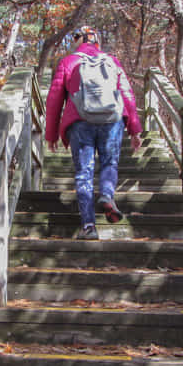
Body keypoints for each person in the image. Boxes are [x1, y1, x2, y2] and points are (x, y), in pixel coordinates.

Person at [45, 26, 143, 240]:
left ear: (79, 41)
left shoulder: (69, 62)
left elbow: (54, 100)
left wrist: (51, 135)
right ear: (97, 41)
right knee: (109, 163)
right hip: (112, 120)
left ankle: (89, 226)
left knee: (84, 173)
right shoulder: (112, 61)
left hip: (80, 121)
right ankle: (107, 195)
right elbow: (127, 93)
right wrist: (134, 129)